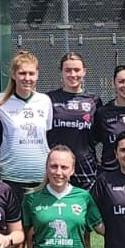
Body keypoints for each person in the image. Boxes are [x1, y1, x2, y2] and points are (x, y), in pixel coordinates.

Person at [0, 50, 52, 248]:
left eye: (32, 73)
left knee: (41, 243)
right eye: (22, 73)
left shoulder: (45, 101)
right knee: (14, 245)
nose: (27, 78)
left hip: (39, 182)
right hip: (10, 182)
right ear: (13, 75)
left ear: (37, 75)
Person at [44, 52, 102, 190]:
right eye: (68, 70)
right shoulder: (49, 99)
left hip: (85, 166)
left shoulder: (93, 100)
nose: (73, 74)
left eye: (77, 70)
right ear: (62, 73)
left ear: (84, 72)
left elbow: (99, 134)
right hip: (57, 167)